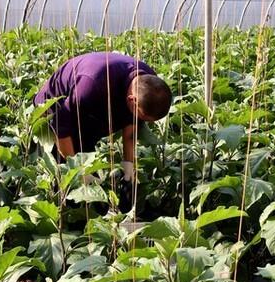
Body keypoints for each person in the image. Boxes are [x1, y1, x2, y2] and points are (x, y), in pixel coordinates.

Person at [33, 52, 172, 212]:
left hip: (90, 114)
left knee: (92, 192)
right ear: (132, 100)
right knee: (65, 185)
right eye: (143, 117)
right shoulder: (91, 86)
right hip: (54, 113)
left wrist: (129, 168)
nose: (143, 122)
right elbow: (60, 127)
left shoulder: (150, 85)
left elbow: (131, 126)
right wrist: (79, 172)